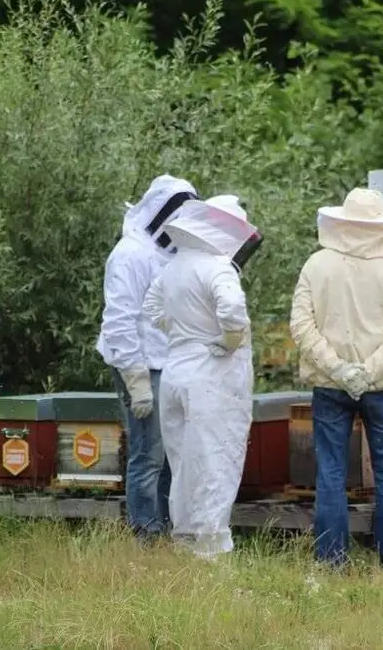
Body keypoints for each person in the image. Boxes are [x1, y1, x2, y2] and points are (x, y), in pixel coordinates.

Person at [289, 187, 383, 571]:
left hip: (331, 386)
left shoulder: (317, 265)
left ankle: (331, 561)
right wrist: (370, 370)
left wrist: (340, 369)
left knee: (330, 473)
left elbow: (301, 326)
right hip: (382, 388)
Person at [142, 194, 261, 558]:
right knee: (214, 462)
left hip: (176, 374)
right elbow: (233, 312)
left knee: (183, 465)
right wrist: (227, 341)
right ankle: (212, 555)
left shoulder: (175, 266)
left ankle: (185, 542)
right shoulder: (216, 266)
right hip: (211, 380)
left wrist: (183, 334)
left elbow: (150, 308)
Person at [97, 174, 200, 542]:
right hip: (138, 364)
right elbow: (118, 321)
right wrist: (136, 380)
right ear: (159, 213)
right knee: (148, 453)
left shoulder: (174, 256)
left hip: (169, 365)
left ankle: (166, 526)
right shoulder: (129, 255)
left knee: (172, 452)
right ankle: (146, 533)